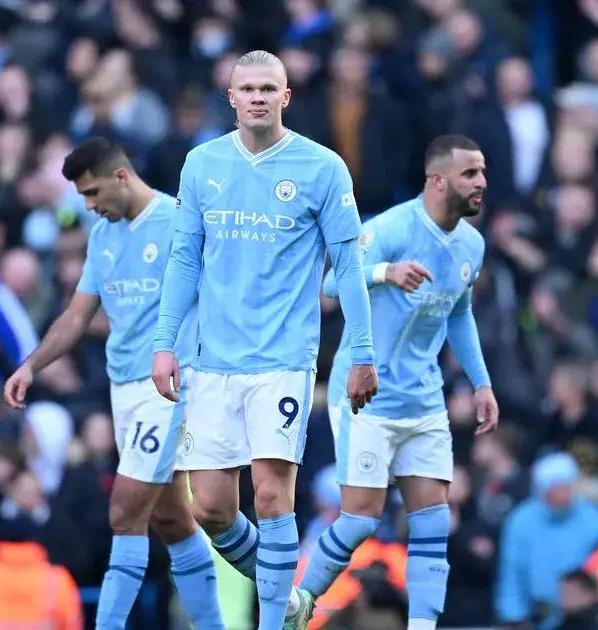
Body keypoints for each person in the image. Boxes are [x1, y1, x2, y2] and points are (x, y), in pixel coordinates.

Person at [151, 50, 378, 630]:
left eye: (267, 88)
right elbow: (183, 258)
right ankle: (294, 599)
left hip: (283, 359)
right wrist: (164, 342)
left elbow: (348, 266)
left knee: (274, 497)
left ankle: (274, 621)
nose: (257, 96)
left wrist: (361, 352)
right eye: (246, 88)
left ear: (286, 97)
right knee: (213, 508)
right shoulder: (202, 164)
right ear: (230, 98)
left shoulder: (321, 168)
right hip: (212, 361)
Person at [3, 137, 223, 630]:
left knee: (124, 512)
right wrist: (30, 366)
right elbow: (78, 315)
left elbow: (227, 293)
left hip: (168, 387)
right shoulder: (102, 237)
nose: (88, 205)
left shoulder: (179, 223)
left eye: (93, 192)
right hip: (121, 387)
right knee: (170, 520)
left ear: (121, 177)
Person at [302, 135, 499, 630]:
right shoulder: (392, 227)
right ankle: (300, 601)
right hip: (367, 395)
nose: (481, 183)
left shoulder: (472, 244)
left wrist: (481, 382)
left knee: (433, 522)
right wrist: (385, 272)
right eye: (469, 174)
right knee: (361, 518)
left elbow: (459, 314)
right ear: (437, 180)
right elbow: (330, 283)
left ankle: (423, 626)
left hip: (425, 399)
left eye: (482, 172)